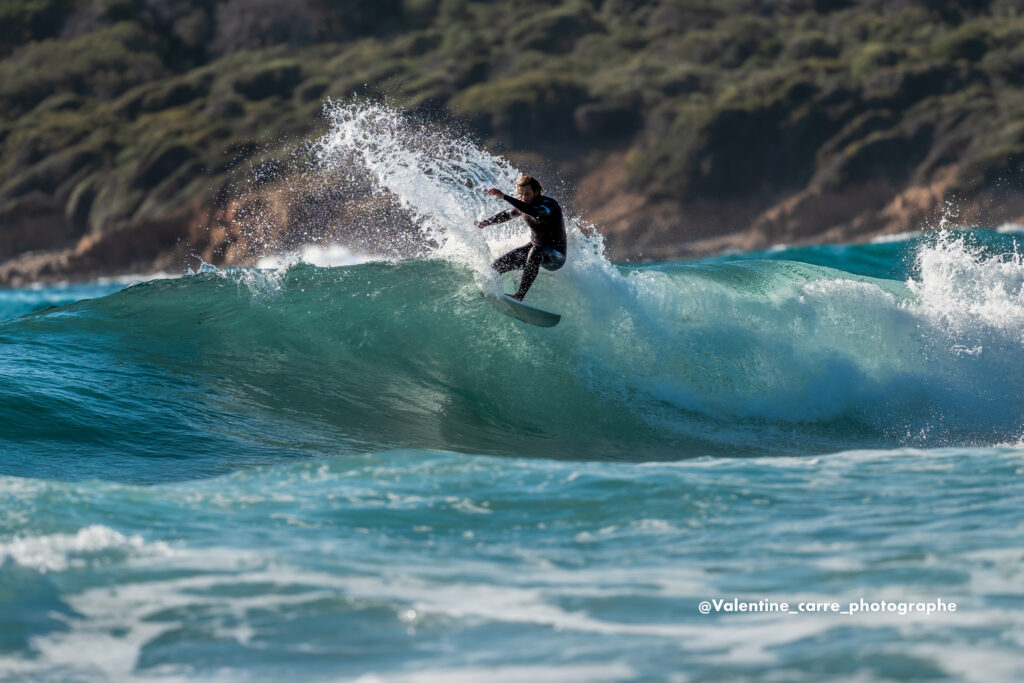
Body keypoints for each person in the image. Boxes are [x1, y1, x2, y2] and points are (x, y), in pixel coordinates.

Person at [475, 175, 567, 301]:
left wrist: (505, 197)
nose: (524, 198)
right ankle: (492, 291)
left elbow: (536, 212)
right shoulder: (523, 206)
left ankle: (519, 296)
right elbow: (506, 215)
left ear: (536, 192)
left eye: (527, 194)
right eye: (521, 194)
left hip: (556, 256)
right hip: (536, 249)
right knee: (497, 266)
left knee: (536, 252)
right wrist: (485, 223)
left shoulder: (549, 205)